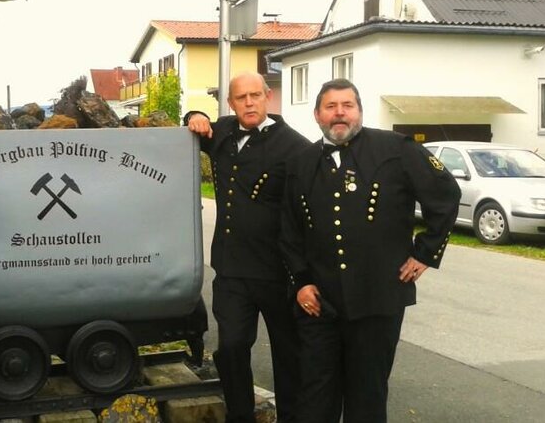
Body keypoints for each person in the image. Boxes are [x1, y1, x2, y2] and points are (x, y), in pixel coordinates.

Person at [279, 79, 461, 423]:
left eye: (347, 105)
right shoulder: (300, 162)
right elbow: (290, 230)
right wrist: (301, 281)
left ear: (359, 112)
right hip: (319, 303)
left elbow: (445, 193)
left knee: (367, 395)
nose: (339, 113)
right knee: (315, 396)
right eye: (331, 107)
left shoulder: (396, 149)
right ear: (317, 115)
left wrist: (425, 253)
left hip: (378, 298)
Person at [184, 72, 311, 423]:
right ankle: (240, 416)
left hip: (277, 272)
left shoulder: (296, 146)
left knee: (288, 355)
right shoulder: (222, 131)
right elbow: (196, 124)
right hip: (231, 271)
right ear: (231, 103)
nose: (250, 102)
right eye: (242, 97)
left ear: (268, 97)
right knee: (232, 349)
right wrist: (193, 116)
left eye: (256, 95)